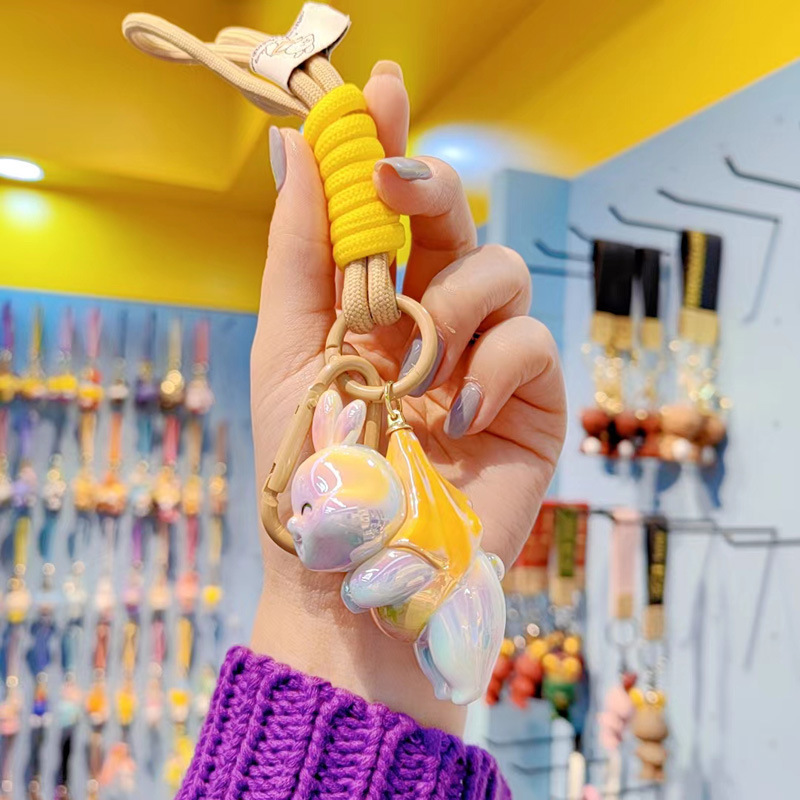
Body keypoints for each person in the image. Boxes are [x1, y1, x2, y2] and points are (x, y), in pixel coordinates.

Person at [177, 61, 566, 799]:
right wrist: (321, 619)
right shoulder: (369, 475)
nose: (302, 521)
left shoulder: (406, 498)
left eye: (308, 507)